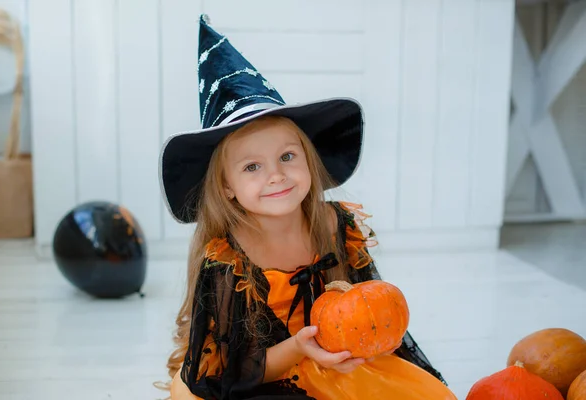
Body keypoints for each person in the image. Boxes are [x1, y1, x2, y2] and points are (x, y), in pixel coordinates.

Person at [158, 15, 456, 400]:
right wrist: (300, 347)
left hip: (342, 359)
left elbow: (372, 311)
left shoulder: (336, 225)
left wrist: (356, 348)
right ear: (226, 187)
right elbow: (238, 371)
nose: (276, 175)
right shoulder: (228, 258)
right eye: (252, 166)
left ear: (309, 161)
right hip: (265, 374)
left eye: (287, 156)